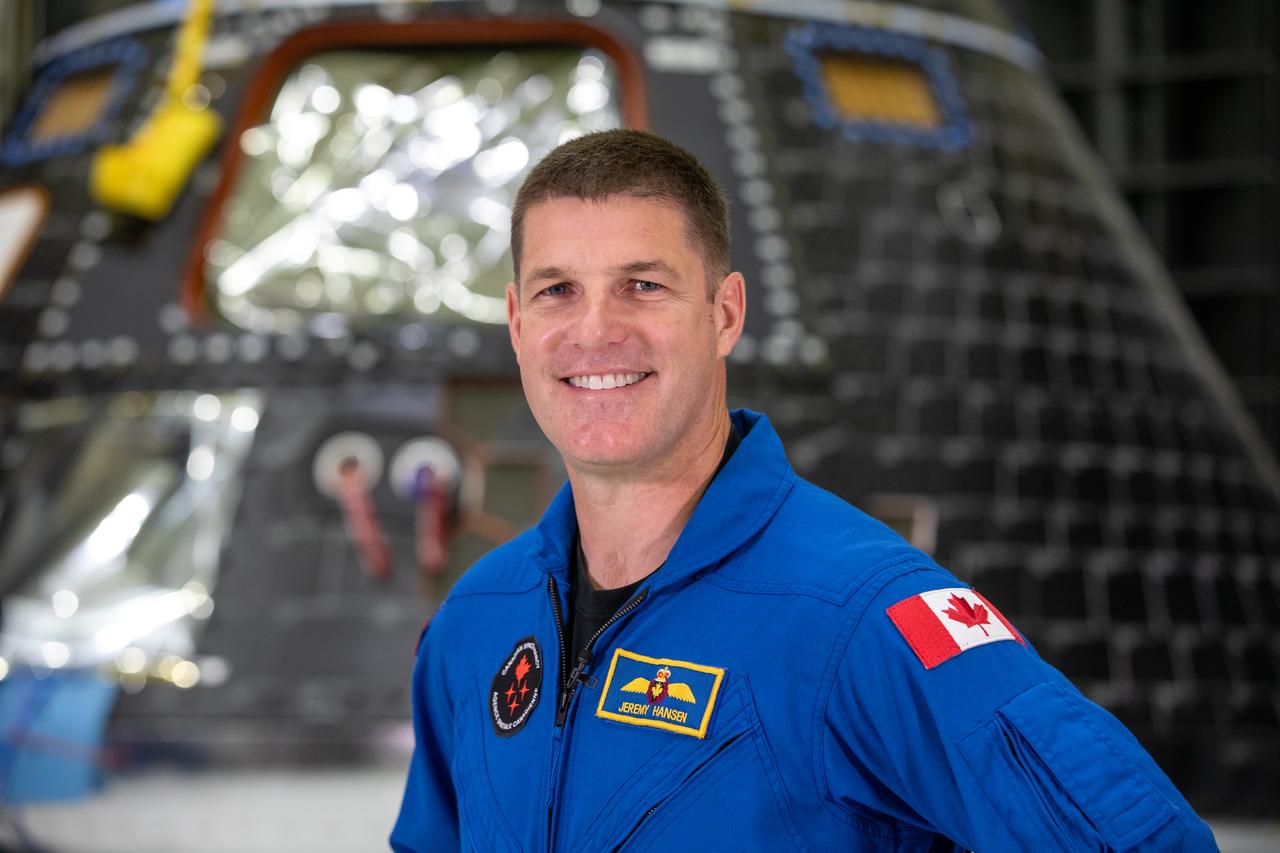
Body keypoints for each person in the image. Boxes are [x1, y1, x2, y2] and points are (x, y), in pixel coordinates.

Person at [391, 129, 1216, 851]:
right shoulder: (477, 620)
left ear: (725, 313)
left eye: (643, 284)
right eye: (558, 290)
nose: (596, 329)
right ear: (517, 322)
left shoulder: (863, 617)